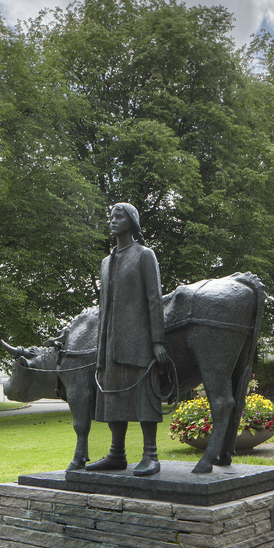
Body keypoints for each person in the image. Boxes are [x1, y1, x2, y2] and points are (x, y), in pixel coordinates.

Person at [86, 203, 168, 476]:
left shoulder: (145, 255)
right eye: (110, 217)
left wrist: (157, 341)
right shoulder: (106, 262)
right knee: (114, 397)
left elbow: (154, 300)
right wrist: (100, 351)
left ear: (131, 221)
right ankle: (116, 454)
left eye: (118, 216)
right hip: (111, 342)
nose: (112, 221)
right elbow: (103, 307)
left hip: (139, 340)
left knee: (144, 396)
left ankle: (150, 454)